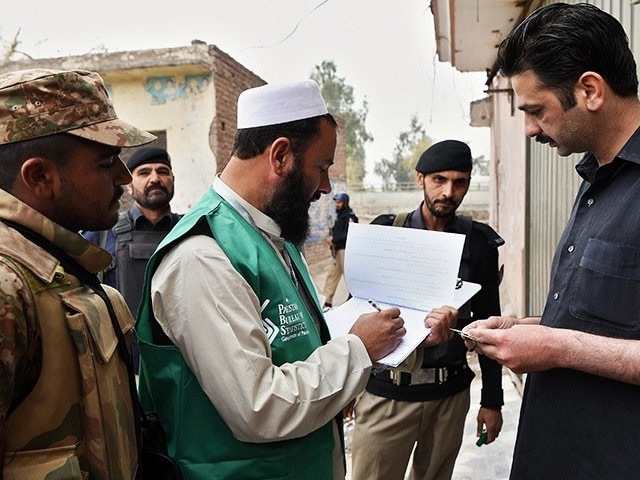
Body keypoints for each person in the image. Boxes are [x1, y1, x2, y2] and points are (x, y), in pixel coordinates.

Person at [136, 79, 459, 480]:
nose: (325, 186)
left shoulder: (271, 235)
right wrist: (358, 350)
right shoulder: (202, 257)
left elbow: (300, 335)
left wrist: (400, 332)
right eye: (321, 167)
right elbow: (258, 406)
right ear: (281, 155)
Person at [462, 4, 640, 479]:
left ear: (589, 90)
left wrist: (556, 347)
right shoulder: (594, 178)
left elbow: (574, 343)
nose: (529, 128)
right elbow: (610, 321)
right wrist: (528, 328)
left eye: (536, 110)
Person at [0, 68, 155, 479]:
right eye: (107, 162)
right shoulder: (7, 285)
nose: (125, 177)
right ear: (40, 177)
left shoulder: (60, 264)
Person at [350, 140, 505, 480]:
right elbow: (358, 316)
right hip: (386, 394)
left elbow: (489, 326)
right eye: (439, 180)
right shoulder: (386, 231)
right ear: (420, 179)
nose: (449, 191)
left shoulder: (478, 244)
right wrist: (348, 385)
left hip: (447, 398)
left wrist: (492, 400)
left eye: (459, 182)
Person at [82, 146, 182, 372]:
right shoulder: (102, 232)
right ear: (129, 185)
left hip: (179, 362)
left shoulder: (190, 230)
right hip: (120, 363)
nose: (155, 179)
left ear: (172, 180)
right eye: (144, 173)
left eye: (162, 171)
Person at [322, 191, 358, 309]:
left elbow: (348, 233)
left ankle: (356, 301)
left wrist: (334, 239)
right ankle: (326, 302)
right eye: (336, 202)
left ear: (345, 203)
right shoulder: (338, 216)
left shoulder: (350, 216)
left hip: (345, 251)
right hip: (337, 251)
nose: (337, 204)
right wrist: (329, 237)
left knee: (350, 278)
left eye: (339, 202)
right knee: (332, 276)